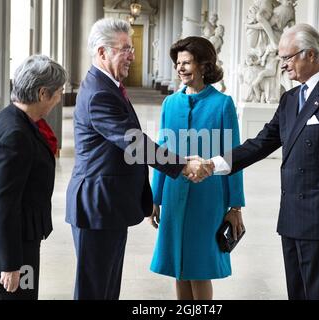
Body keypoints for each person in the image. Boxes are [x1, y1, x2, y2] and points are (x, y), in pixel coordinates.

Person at [200, 23, 319, 299]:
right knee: (298, 293)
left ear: (311, 55)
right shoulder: (290, 98)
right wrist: (214, 164)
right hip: (292, 220)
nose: (282, 65)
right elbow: (261, 143)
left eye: (287, 58)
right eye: (281, 59)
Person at [65, 18, 208, 300]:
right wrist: (182, 165)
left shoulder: (108, 86)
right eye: (125, 48)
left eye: (131, 47)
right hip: (97, 207)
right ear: (102, 52)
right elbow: (134, 143)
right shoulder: (98, 93)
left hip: (109, 205)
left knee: (107, 286)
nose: (132, 55)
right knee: (94, 289)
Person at [149, 36, 245, 300]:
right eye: (178, 63)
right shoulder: (170, 103)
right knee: (179, 266)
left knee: (200, 266)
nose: (180, 68)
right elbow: (160, 153)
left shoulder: (223, 103)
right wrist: (155, 198)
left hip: (208, 197)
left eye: (187, 62)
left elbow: (234, 157)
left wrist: (235, 207)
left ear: (204, 65)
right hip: (173, 193)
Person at [0, 55, 67, 300]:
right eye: (58, 93)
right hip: (12, 242)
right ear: (42, 94)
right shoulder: (16, 134)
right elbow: (4, 202)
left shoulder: (13, 117)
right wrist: (9, 263)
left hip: (19, 235)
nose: (59, 99)